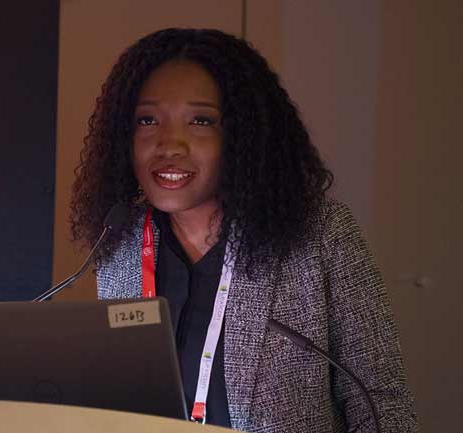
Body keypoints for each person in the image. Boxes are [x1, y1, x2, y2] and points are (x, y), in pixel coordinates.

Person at [69, 28, 417, 432]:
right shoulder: (121, 243)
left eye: (200, 121)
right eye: (147, 120)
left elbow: (382, 402)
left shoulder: (320, 235)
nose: (169, 145)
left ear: (242, 134)